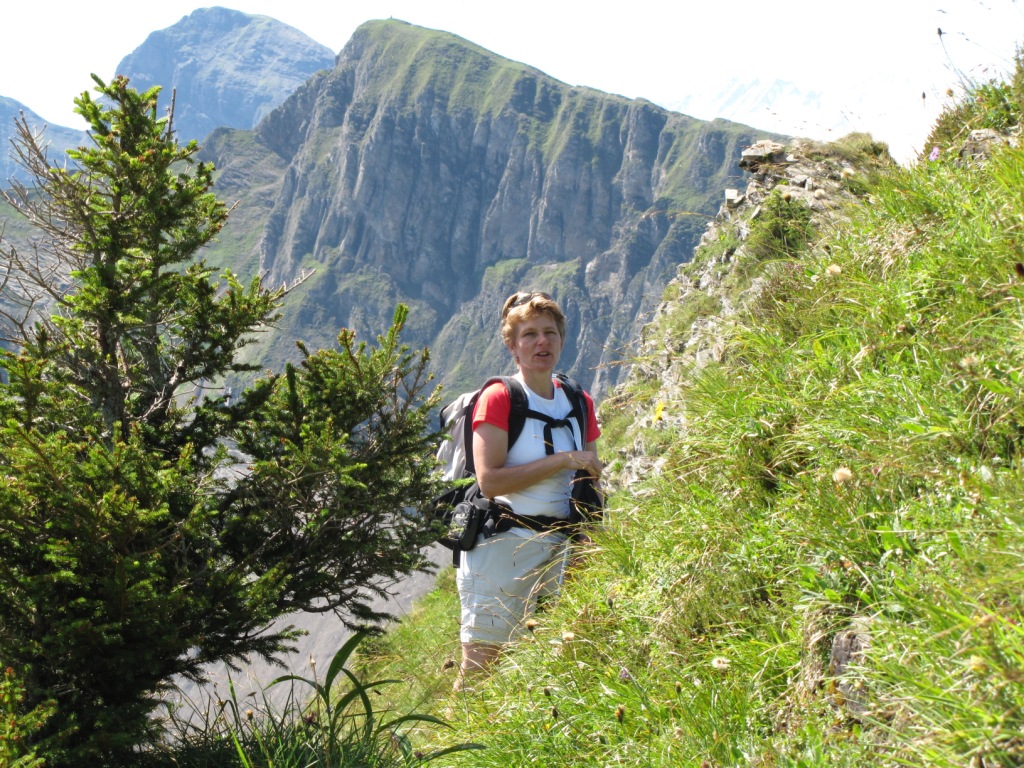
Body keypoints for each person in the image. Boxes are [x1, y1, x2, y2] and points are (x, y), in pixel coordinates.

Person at [454, 291, 603, 691]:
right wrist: (561, 460)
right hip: (503, 546)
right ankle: (458, 731)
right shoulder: (499, 398)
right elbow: (490, 481)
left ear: (562, 339)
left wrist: (592, 535)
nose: (542, 342)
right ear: (512, 345)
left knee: (563, 655)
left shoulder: (578, 401)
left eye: (550, 333)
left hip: (564, 546)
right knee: (481, 664)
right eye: (530, 334)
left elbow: (591, 475)